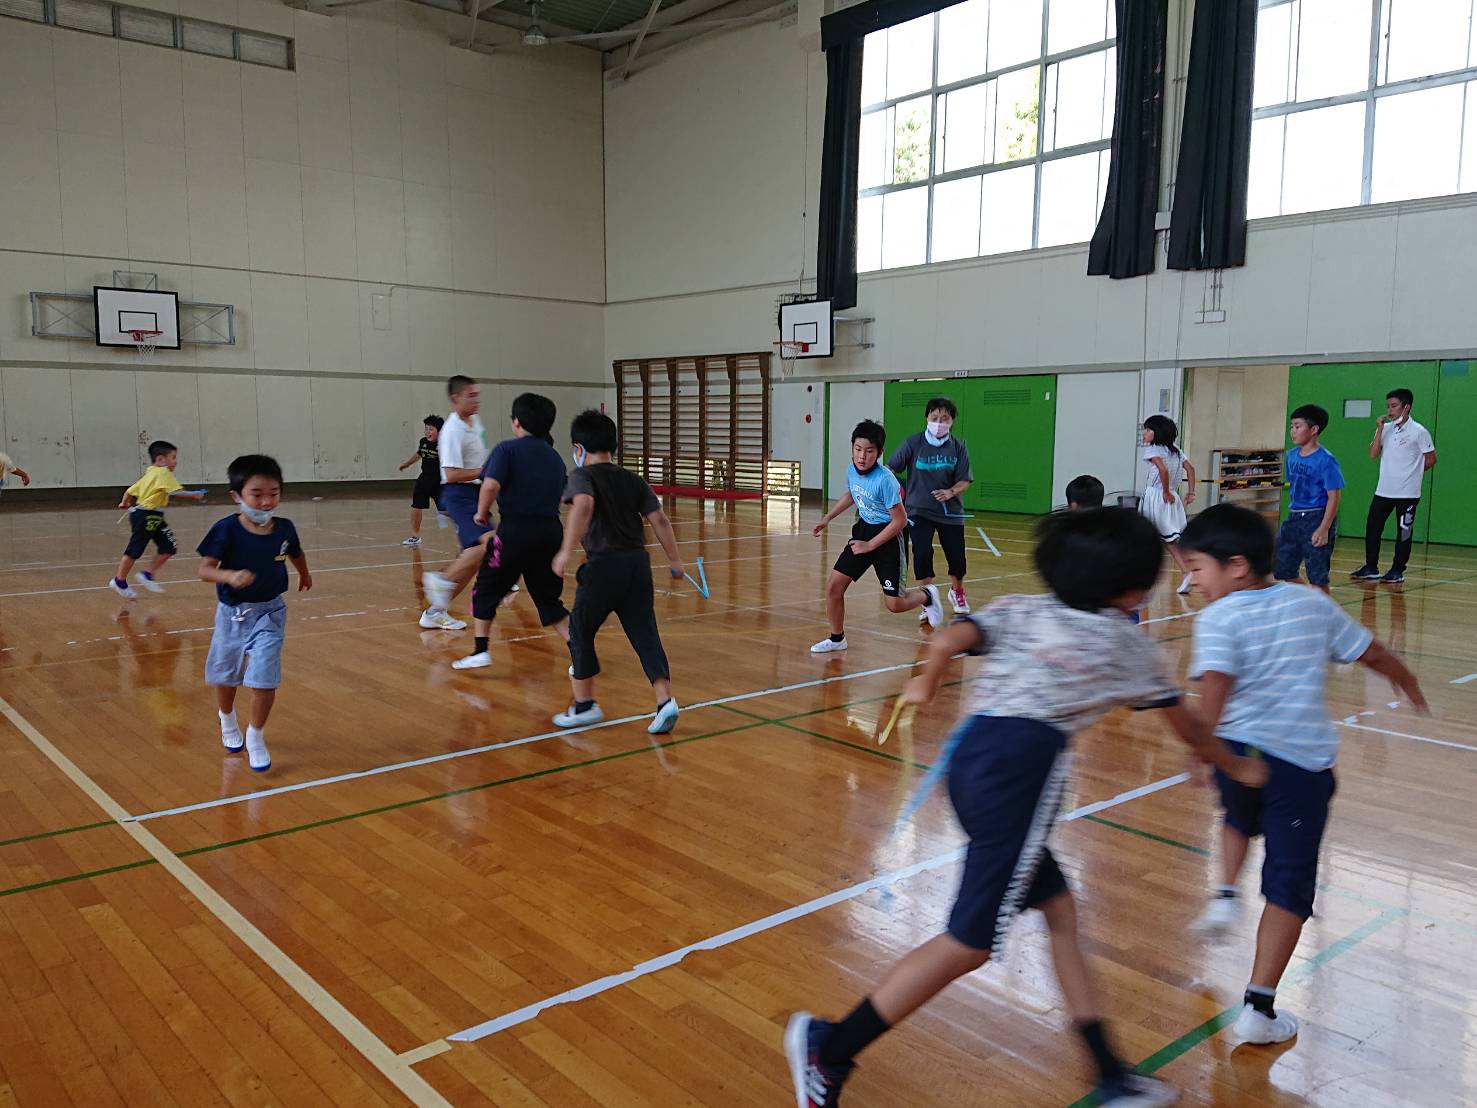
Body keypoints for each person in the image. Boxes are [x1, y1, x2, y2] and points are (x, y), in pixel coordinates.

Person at [784, 508, 1266, 1108]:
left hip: (971, 765)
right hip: (1018, 778)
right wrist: (1237, 767)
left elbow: (951, 637)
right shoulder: (1125, 643)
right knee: (969, 942)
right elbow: (1189, 727)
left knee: (1060, 911)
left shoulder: (1022, 607)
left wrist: (927, 680)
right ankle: (830, 1048)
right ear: (1136, 590)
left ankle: (1109, 1072)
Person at [1180, 504, 1425, 1046]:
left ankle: (1225, 894)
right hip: (1299, 769)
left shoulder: (1218, 618)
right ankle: (1258, 1007)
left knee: (1236, 819)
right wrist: (1404, 677)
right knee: (1287, 888)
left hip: (1237, 754)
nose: (1191, 582)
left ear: (1236, 566)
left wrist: (1202, 750)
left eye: (1196, 569)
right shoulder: (1310, 603)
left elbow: (1215, 686)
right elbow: (1368, 651)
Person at [552, 410, 682, 733]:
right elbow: (660, 519)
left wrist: (566, 551)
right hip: (637, 566)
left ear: (579, 448)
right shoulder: (632, 479)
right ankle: (665, 700)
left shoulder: (582, 477)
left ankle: (584, 705)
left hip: (603, 566)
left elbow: (583, 505)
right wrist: (676, 560)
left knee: (579, 629)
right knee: (644, 632)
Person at [197, 455, 313, 772]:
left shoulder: (284, 528)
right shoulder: (226, 530)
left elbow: (295, 553)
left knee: (264, 677)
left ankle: (256, 735)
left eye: (273, 493)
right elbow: (205, 570)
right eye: (257, 494)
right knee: (226, 674)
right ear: (237, 495)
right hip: (232, 614)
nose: (265, 502)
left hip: (270, 613)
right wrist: (229, 576)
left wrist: (304, 573)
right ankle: (226, 717)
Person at [452, 393, 571, 671]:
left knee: (485, 588)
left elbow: (490, 485)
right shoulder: (555, 458)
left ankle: (481, 650)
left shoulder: (507, 449)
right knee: (548, 599)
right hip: (550, 532)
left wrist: (481, 513)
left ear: (516, 422)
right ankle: (579, 651)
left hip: (515, 531)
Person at [811, 420, 943, 653]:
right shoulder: (851, 470)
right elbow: (852, 494)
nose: (862, 456)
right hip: (864, 531)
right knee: (834, 587)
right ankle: (837, 638)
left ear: (880, 453)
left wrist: (870, 545)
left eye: (869, 451)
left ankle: (927, 595)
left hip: (889, 537)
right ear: (852, 448)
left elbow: (900, 521)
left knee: (894, 604)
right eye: (858, 449)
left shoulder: (885, 480)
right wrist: (828, 517)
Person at [887, 398, 973, 618]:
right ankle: (928, 599)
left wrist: (951, 491)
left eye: (945, 419)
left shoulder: (958, 447)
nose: (939, 423)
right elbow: (890, 469)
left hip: (950, 512)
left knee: (957, 557)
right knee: (922, 553)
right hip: (918, 511)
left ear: (952, 421)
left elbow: (965, 480)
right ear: (927, 418)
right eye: (935, 418)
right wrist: (888, 492)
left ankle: (957, 591)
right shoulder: (913, 443)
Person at [420, 376, 492, 630]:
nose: (476, 400)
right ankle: (441, 579)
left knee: (473, 560)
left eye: (477, 394)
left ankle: (434, 612)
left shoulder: (474, 421)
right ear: (455, 398)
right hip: (459, 495)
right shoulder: (452, 430)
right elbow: (450, 474)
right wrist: (485, 472)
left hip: (476, 494)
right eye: (470, 395)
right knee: (491, 544)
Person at [1350, 388, 1438, 585]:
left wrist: (1413, 473)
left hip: (1407, 493)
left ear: (1406, 407)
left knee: (1404, 532)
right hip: (1383, 491)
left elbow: (1431, 459)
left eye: (1394, 406)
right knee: (1373, 527)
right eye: (1388, 406)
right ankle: (1371, 567)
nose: (1389, 410)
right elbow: (1373, 454)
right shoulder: (1386, 429)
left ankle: (1397, 570)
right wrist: (1380, 429)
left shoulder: (1419, 432)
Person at [109, 440, 206, 599]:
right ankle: (119, 581)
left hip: (154, 515)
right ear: (160, 460)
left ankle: (147, 575)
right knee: (135, 549)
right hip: (145, 515)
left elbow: (130, 491)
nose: (176, 461)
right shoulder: (163, 473)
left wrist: (124, 503)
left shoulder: (150, 474)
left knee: (169, 546)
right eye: (173, 457)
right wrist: (194, 495)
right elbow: (175, 492)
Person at [1274, 404, 1343, 594]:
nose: (1293, 431)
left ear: (1313, 430)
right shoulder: (1291, 456)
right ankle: (1310, 599)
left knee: (1317, 576)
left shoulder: (1326, 460)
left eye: (1298, 426)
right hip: (1294, 516)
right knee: (1282, 568)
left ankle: (1323, 608)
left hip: (1316, 517)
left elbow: (1334, 496)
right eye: (1291, 426)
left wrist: (1324, 528)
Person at [1139, 415, 1196, 596]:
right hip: (1173, 495)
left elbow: (1163, 470)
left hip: (1158, 496)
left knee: (1159, 538)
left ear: (1158, 432)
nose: (1144, 433)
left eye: (1148, 429)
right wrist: (1191, 492)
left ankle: (1183, 572)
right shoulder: (1176, 450)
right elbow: (1191, 470)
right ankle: (1186, 572)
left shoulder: (1152, 450)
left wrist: (1164, 491)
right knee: (1167, 539)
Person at [398, 414, 444, 546]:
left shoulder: (444, 445)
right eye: (426, 429)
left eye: (431, 429)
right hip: (424, 480)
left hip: (440, 482)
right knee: (416, 506)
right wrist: (407, 463)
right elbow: (419, 454)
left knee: (446, 511)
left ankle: (465, 529)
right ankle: (415, 536)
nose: (427, 432)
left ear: (439, 431)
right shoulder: (423, 442)